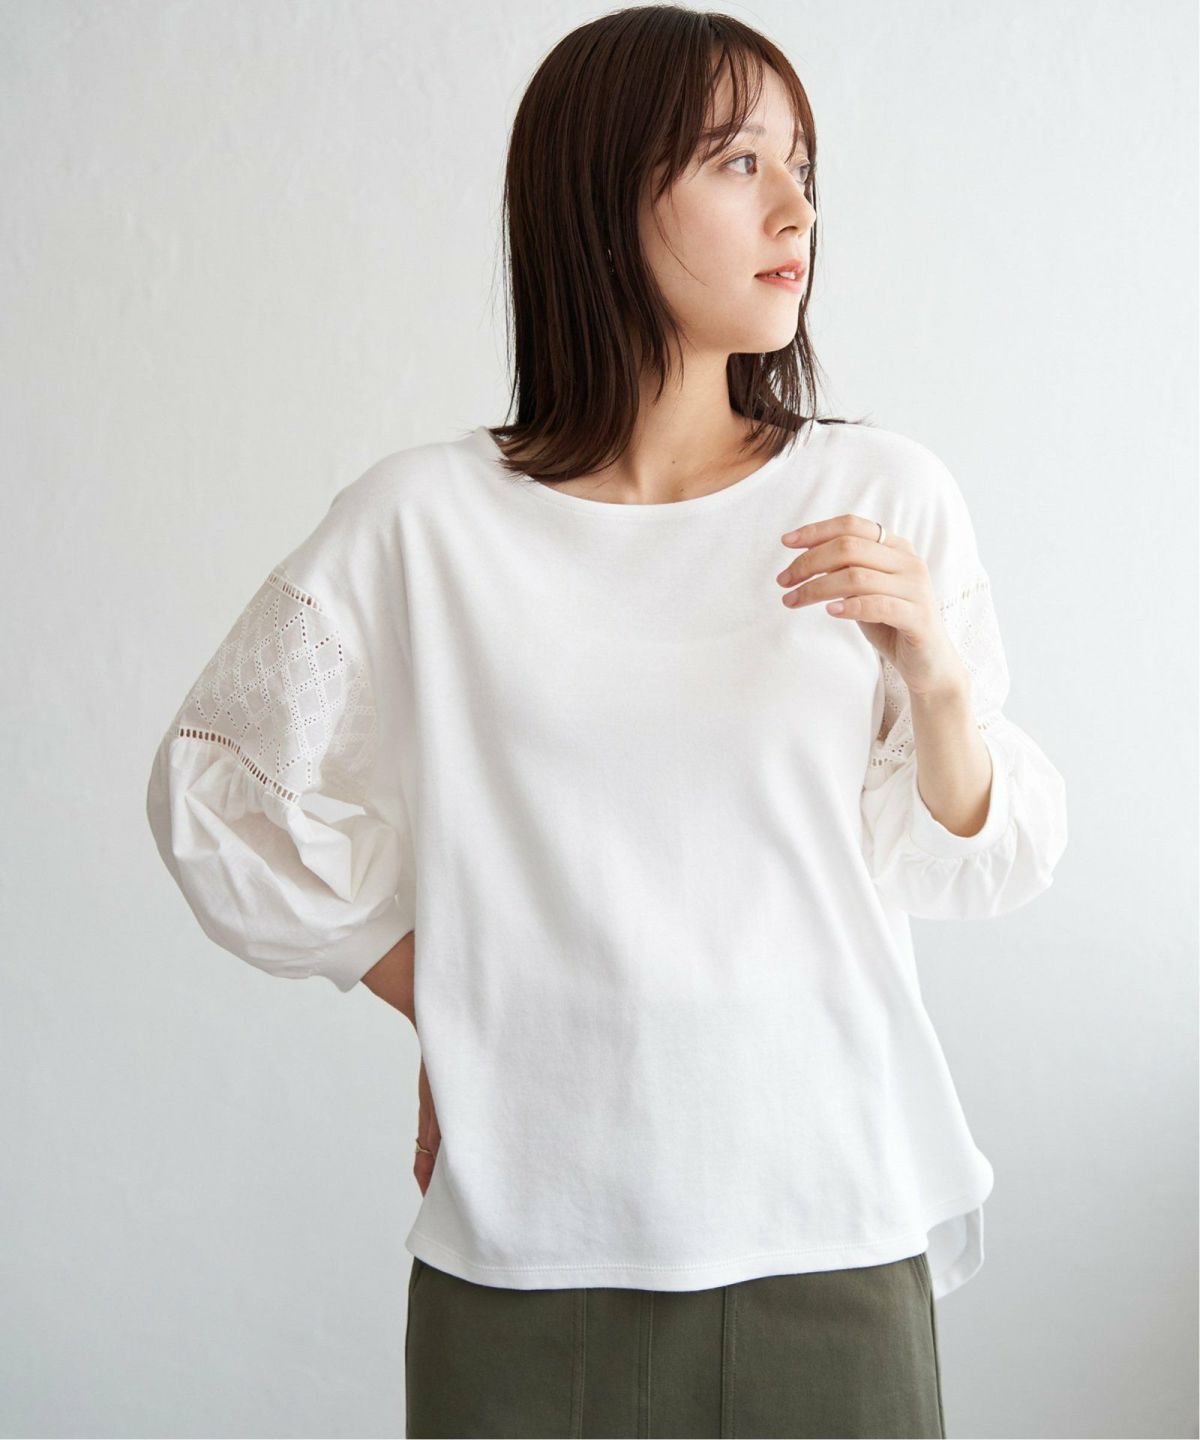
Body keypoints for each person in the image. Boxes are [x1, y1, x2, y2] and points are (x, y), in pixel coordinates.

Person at [145, 7, 1069, 1437]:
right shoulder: (426, 523)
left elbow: (976, 856)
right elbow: (217, 787)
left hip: (831, 1230)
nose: (795, 207)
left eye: (803, 164)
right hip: (529, 1261)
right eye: (739, 161)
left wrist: (940, 683)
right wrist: (449, 990)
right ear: (601, 196)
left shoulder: (880, 498)